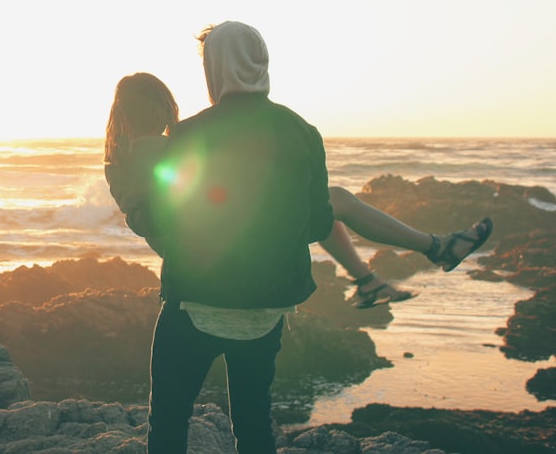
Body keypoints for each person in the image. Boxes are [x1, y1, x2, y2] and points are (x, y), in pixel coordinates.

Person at [104, 23, 491, 453]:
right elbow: (318, 221)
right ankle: (427, 252)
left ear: (217, 68)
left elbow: (170, 218)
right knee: (252, 428)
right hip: (267, 312)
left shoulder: (189, 135)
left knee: (168, 426)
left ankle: (409, 260)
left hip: (196, 304)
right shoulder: (303, 131)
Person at [104, 72, 492, 308]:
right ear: (160, 109)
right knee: (330, 200)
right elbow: (163, 214)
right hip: (209, 258)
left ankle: (374, 278)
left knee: (324, 201)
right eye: (164, 110)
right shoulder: (156, 150)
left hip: (205, 250)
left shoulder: (124, 160)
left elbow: (191, 199)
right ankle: (429, 251)